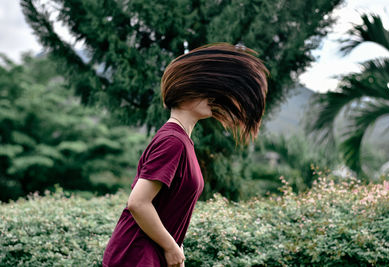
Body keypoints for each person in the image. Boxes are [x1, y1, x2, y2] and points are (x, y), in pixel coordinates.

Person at [102, 42, 269, 267]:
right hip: (136, 255)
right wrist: (171, 247)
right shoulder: (173, 141)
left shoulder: (182, 141)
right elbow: (138, 203)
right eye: (205, 90)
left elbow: (166, 207)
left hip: (151, 254)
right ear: (185, 92)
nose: (213, 96)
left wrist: (174, 244)